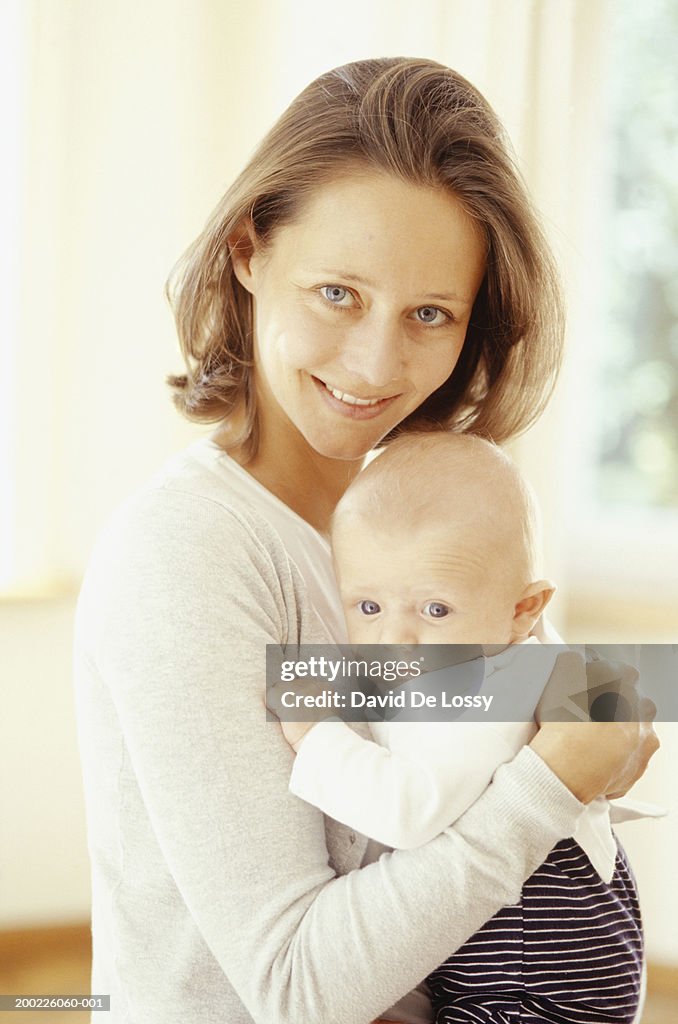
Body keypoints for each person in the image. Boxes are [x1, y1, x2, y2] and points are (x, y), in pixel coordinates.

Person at [73, 57, 658, 1024]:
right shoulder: (184, 556)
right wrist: (553, 780)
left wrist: (595, 712)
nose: (376, 364)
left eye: (429, 314)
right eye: (337, 293)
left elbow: (595, 701)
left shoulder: (436, 510)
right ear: (249, 252)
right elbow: (296, 988)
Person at [276, 431, 644, 1024]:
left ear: (524, 610)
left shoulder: (482, 690)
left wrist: (314, 736)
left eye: (435, 610)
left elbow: (411, 810)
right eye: (368, 607)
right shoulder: (483, 660)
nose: (396, 638)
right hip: (528, 946)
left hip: (533, 964)